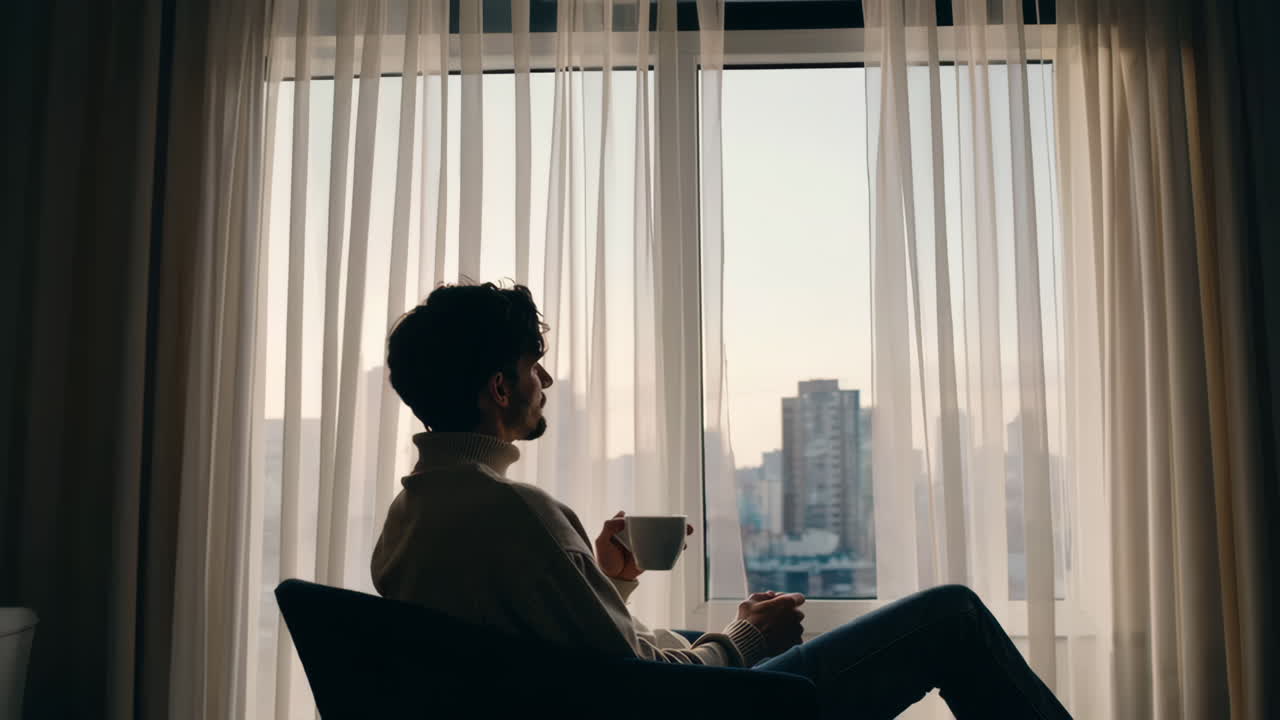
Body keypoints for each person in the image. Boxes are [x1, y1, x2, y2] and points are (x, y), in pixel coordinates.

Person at [371, 281, 1073, 719]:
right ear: (500, 387)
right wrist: (744, 640)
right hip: (701, 713)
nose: (546, 379)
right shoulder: (516, 511)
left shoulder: (411, 518)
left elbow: (556, 664)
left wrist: (609, 581)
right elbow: (641, 690)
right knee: (949, 618)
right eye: (532, 366)